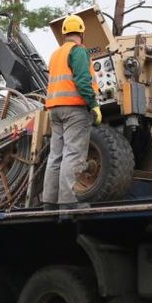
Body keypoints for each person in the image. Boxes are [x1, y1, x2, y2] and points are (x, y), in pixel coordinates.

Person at [41, 14, 102, 211]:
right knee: (73, 153)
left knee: (56, 155)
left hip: (55, 109)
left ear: (65, 33)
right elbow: (83, 81)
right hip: (74, 109)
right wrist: (93, 104)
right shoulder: (78, 52)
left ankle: (49, 202)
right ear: (82, 33)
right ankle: (67, 202)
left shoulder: (56, 54)